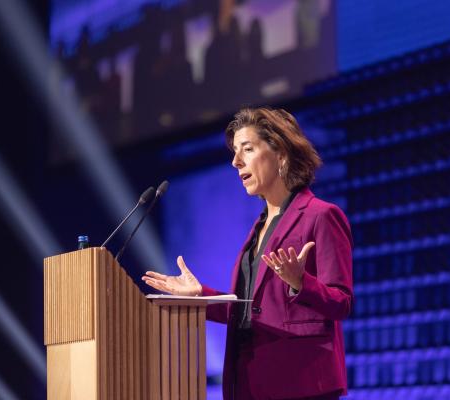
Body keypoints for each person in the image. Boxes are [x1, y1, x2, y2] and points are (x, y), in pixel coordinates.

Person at [142, 107, 353, 400]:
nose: (235, 161)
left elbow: (341, 302)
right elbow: (249, 311)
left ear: (280, 153)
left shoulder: (321, 216)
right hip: (250, 382)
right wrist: (200, 295)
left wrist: (300, 283)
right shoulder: (258, 228)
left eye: (247, 149)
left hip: (300, 383)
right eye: (234, 152)